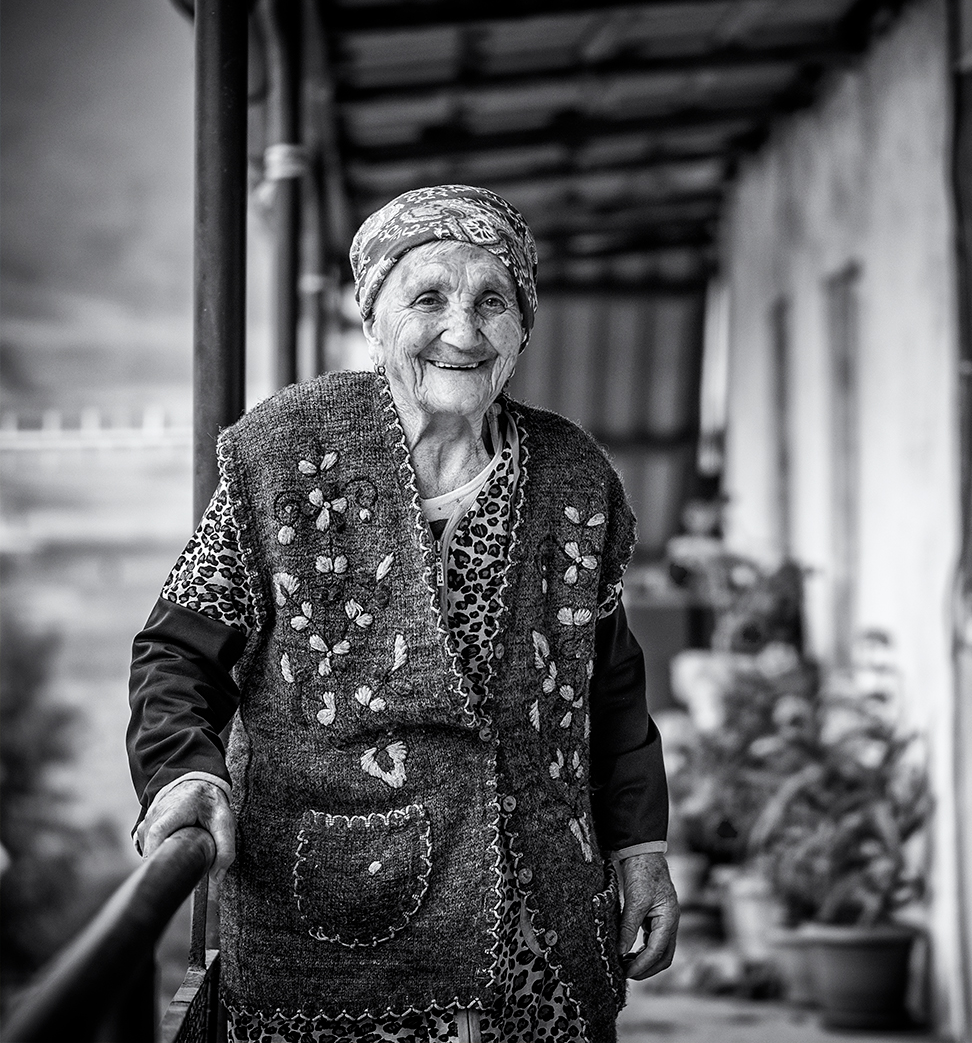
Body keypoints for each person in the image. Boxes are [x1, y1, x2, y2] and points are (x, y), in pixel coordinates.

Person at [126, 185, 678, 1042]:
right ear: (374, 320)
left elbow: (612, 689)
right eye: (428, 299)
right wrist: (184, 774)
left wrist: (639, 850)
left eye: (491, 302)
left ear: (523, 328)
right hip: (334, 932)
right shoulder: (282, 453)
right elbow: (179, 650)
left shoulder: (574, 475)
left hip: (539, 940)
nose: (463, 330)